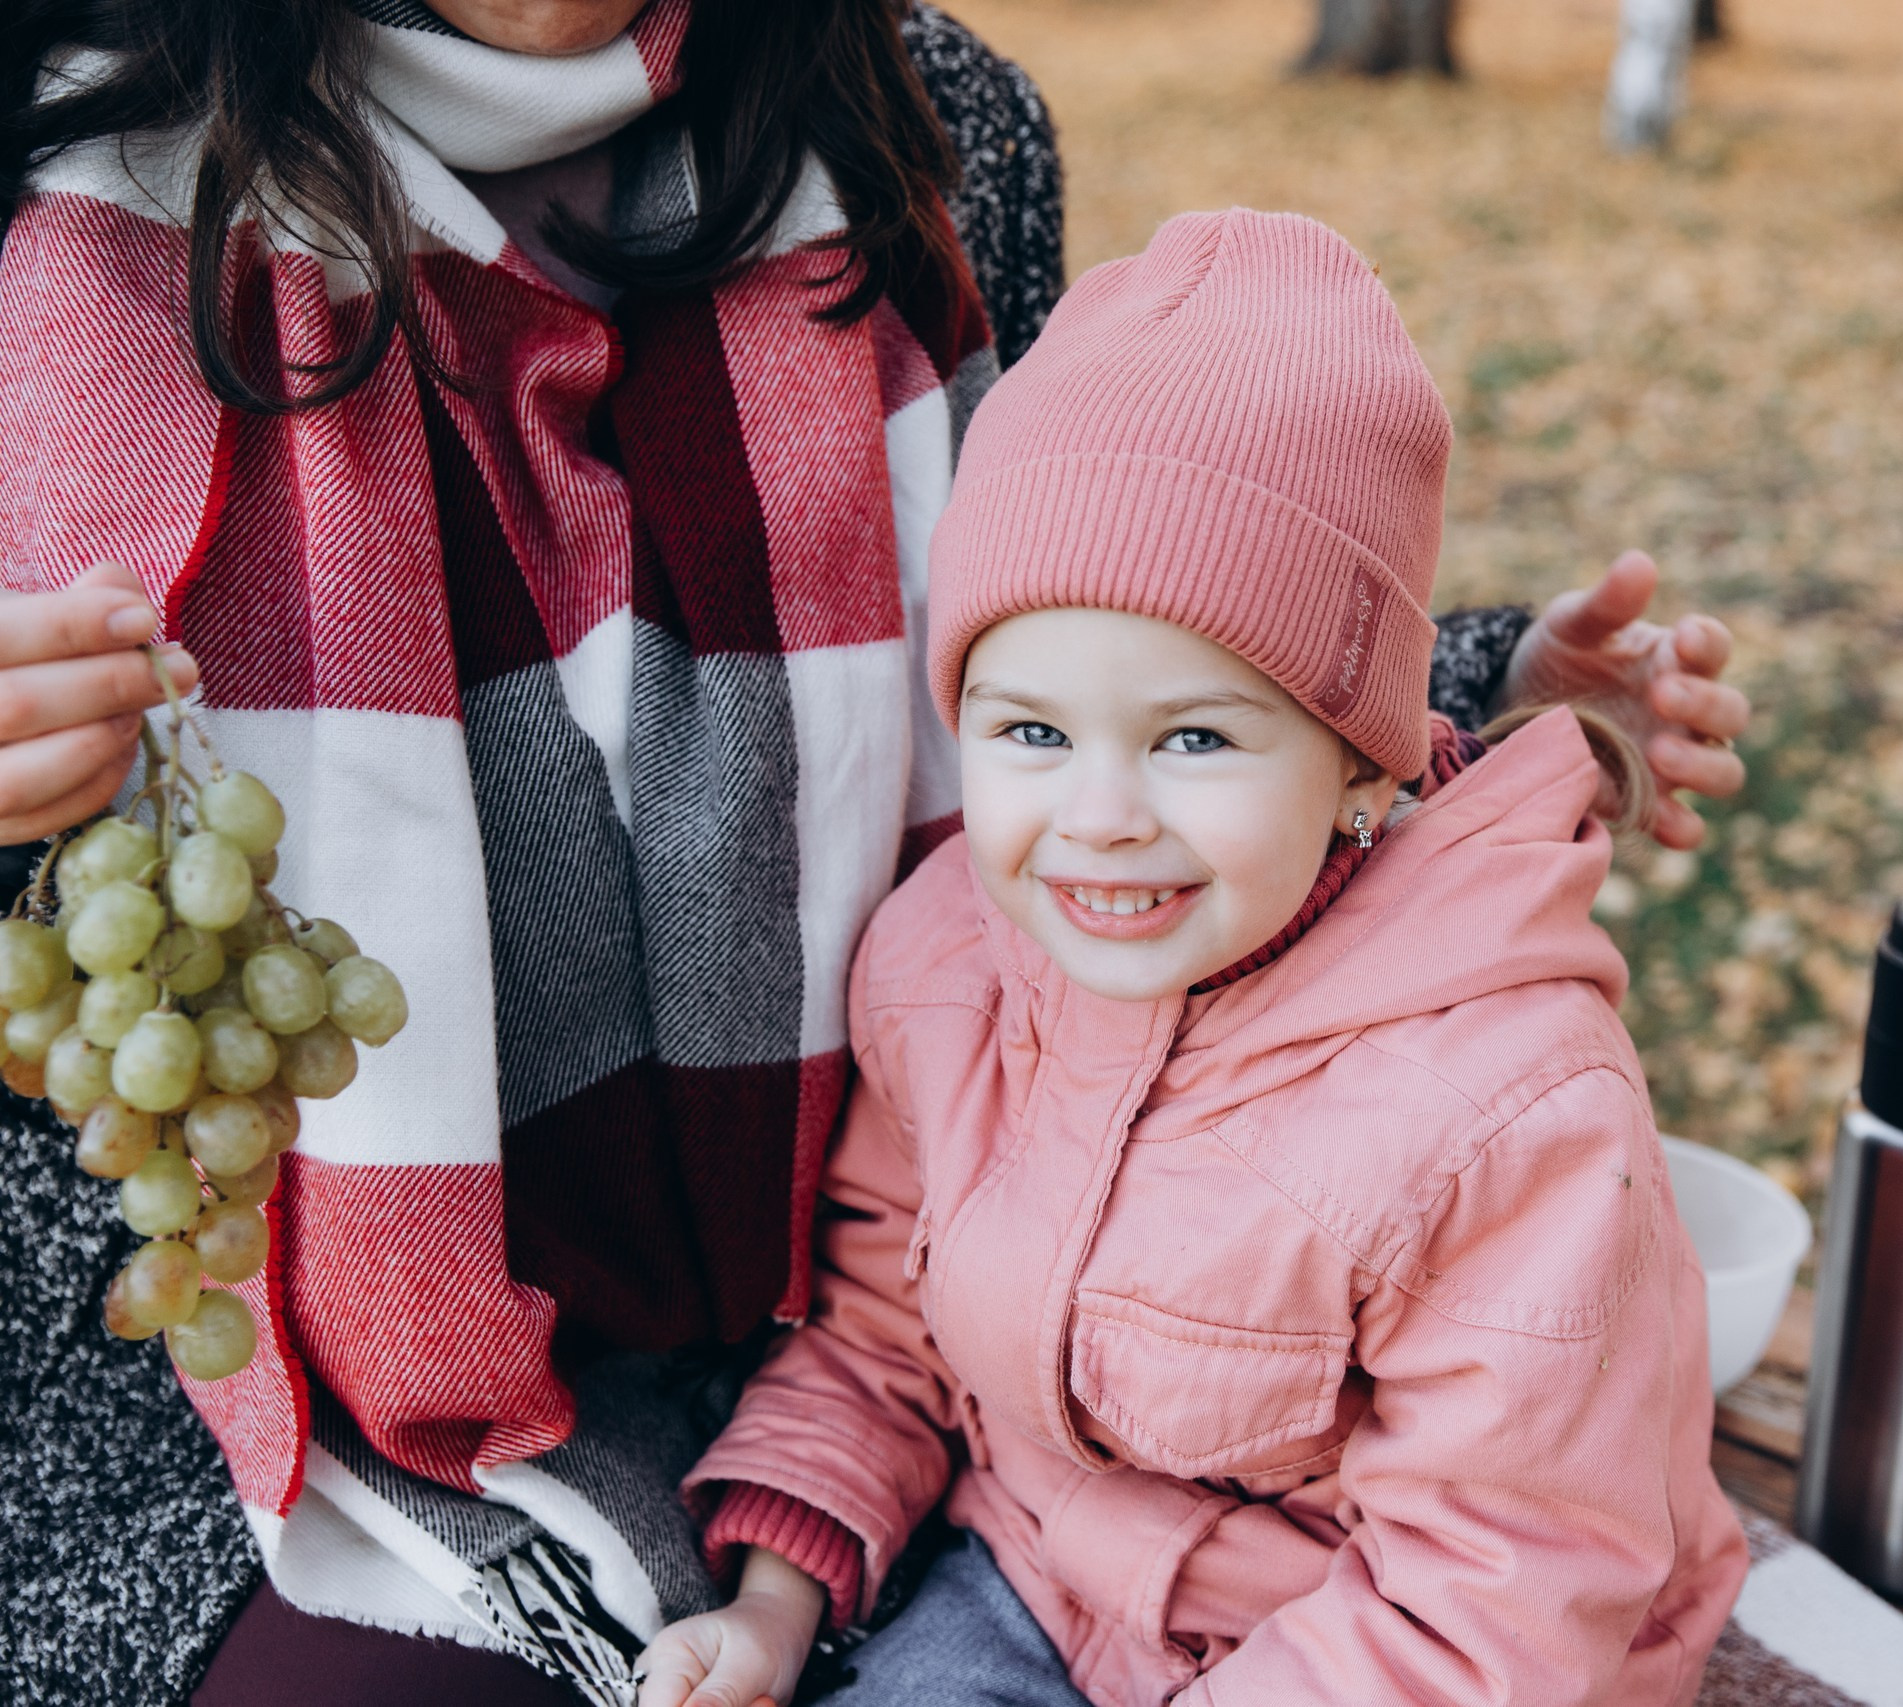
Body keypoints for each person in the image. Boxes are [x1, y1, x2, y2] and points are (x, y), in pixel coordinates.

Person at [0, 5, 1749, 1704]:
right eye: (1036, 748)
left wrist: (1464, 684)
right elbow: (1095, 688)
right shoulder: (65, 154)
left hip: (873, 1362)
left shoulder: (918, 121)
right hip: (274, 1354)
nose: (1101, 804)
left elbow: (1135, 587)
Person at [636, 209, 1749, 1707]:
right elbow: (890, 1327)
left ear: (1361, 764)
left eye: (1196, 739)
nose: (1099, 817)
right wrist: (775, 1608)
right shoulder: (946, 966)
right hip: (1044, 1584)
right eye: (1033, 730)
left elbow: (1490, 1601)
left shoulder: (1507, 1117)